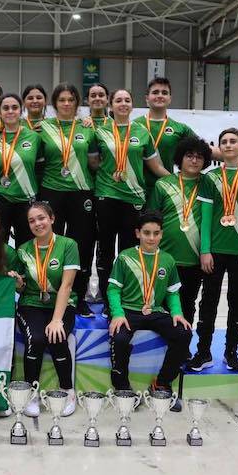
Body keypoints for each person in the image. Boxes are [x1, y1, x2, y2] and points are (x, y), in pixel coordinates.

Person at [190, 128, 238, 372]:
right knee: (208, 303)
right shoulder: (210, 178)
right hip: (215, 252)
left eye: (234, 141)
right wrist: (205, 250)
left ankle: (231, 351)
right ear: (220, 148)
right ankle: (203, 352)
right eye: (224, 142)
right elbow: (206, 216)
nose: (229, 145)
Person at [92, 88, 169, 309]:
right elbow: (94, 163)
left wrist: (178, 180)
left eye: (127, 99)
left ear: (133, 105)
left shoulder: (143, 132)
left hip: (134, 199)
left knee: (128, 251)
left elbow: (155, 166)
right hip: (106, 195)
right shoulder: (100, 131)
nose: (123, 103)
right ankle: (106, 298)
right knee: (105, 249)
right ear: (111, 105)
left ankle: (126, 296)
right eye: (118, 100)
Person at [107, 211, 192, 406]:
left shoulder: (168, 260)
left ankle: (162, 384)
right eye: (147, 233)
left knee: (184, 333)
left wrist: (177, 313)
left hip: (155, 311)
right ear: (138, 233)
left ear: (162, 234)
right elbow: (113, 289)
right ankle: (122, 388)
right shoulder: (125, 257)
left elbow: (172, 293)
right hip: (129, 310)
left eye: (156, 233)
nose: (151, 238)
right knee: (119, 337)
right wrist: (118, 314)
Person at [37, 82, 98, 317]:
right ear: (54, 104)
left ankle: (79, 297)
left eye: (70, 100)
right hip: (51, 191)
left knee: (82, 246)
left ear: (77, 103)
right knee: (51, 245)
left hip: (82, 192)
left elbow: (94, 163)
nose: (66, 104)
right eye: (61, 100)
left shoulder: (88, 128)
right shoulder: (42, 129)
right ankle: (49, 293)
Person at [16, 202, 79, 418]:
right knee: (36, 338)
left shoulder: (68, 245)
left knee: (57, 336)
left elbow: (67, 286)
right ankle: (31, 392)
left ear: (52, 219)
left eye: (41, 218)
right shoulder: (23, 249)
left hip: (61, 303)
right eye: (32, 220)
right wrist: (17, 283)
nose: (37, 223)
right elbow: (23, 286)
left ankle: (67, 391)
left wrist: (57, 319)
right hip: (31, 303)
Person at [147, 135, 212, 327]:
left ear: (205, 161)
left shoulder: (208, 184)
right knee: (161, 303)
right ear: (180, 158)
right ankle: (161, 350)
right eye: (189, 155)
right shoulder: (163, 184)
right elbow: (151, 221)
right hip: (165, 257)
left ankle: (182, 346)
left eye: (199, 157)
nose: (194, 160)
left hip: (193, 259)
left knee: (187, 304)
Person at [0, 94, 41, 246]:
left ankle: (22, 271)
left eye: (14, 107)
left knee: (26, 246)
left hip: (26, 199)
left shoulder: (35, 137)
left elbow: (40, 170)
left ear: (21, 111)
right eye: (5, 108)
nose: (10, 111)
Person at [135, 77, 198, 195]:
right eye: (155, 92)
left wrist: (233, 156)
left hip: (166, 190)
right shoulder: (134, 126)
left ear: (170, 99)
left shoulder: (180, 128)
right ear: (147, 98)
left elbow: (203, 147)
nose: (160, 95)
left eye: (164, 93)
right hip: (136, 190)